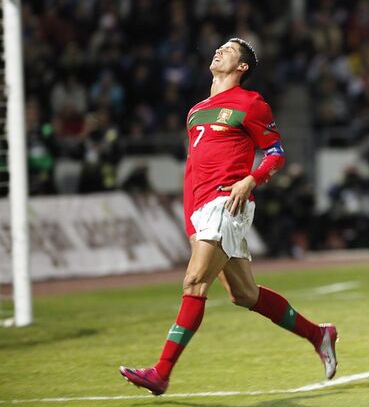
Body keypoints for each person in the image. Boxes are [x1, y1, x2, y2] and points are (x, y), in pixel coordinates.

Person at [119, 38, 338, 396]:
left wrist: (251, 179)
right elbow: (192, 170)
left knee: (194, 282)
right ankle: (319, 334)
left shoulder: (251, 103)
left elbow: (276, 154)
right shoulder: (196, 111)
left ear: (242, 67)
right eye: (219, 47)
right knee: (244, 294)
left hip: (228, 204)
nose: (219, 51)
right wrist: (190, 222)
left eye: (229, 50)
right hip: (201, 209)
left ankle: (161, 373)